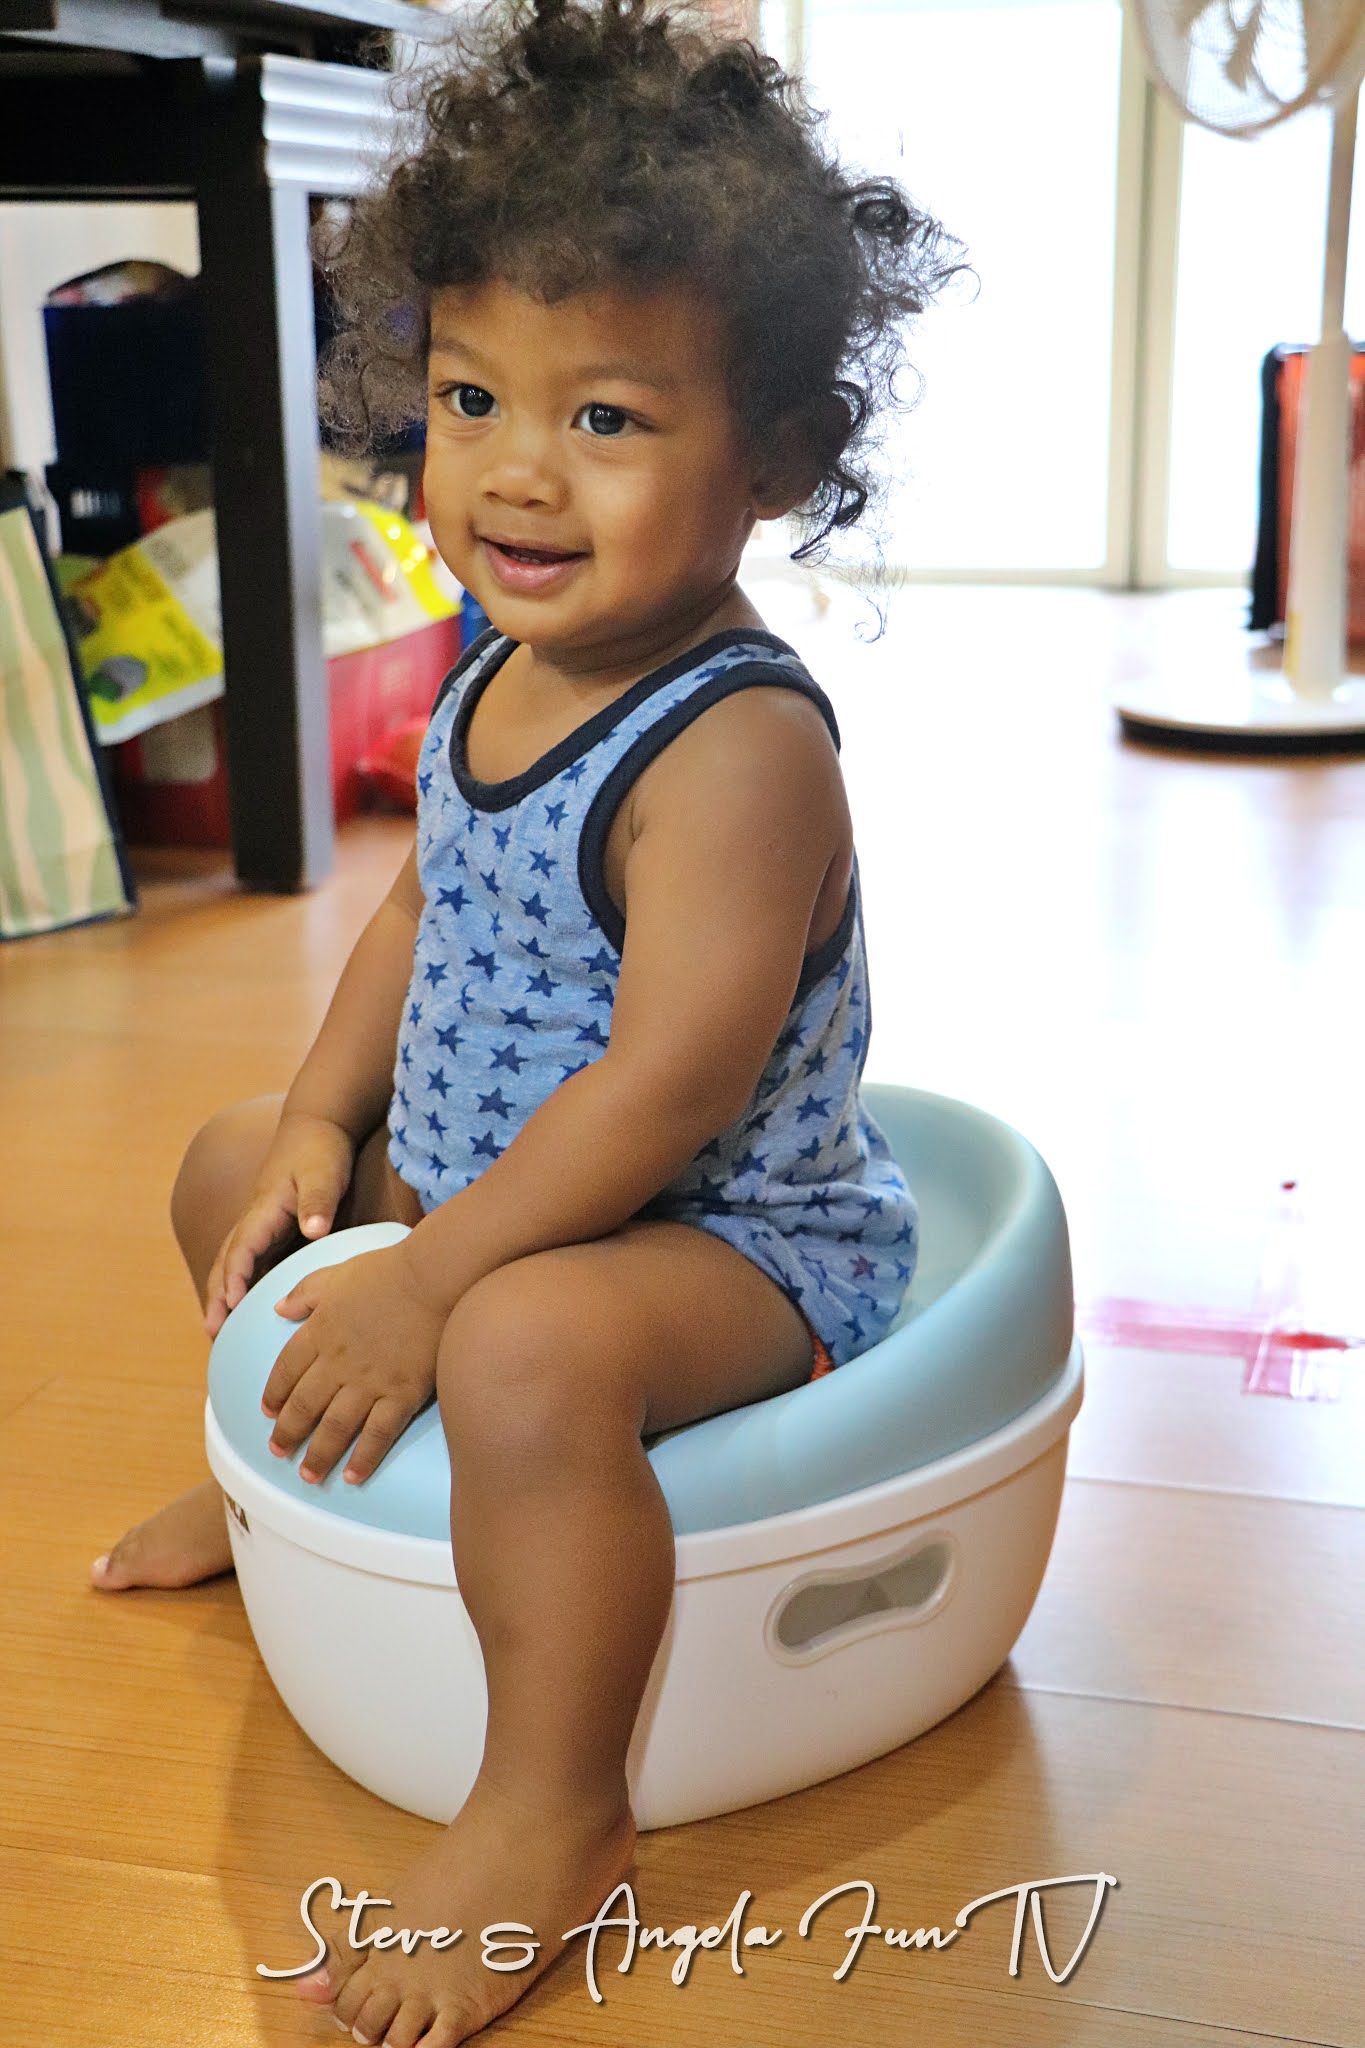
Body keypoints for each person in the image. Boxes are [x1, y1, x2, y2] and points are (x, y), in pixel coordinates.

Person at [89, 3, 966, 2040]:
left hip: (717, 1237)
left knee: (523, 1345)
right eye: (472, 395)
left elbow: (665, 1090)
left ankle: (554, 1806)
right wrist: (325, 1123)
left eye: (609, 419)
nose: (515, 471)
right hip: (498, 1180)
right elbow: (421, 906)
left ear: (773, 458)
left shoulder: (735, 746)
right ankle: (282, 1483)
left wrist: (436, 1279)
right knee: (232, 1165)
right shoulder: (501, 665)